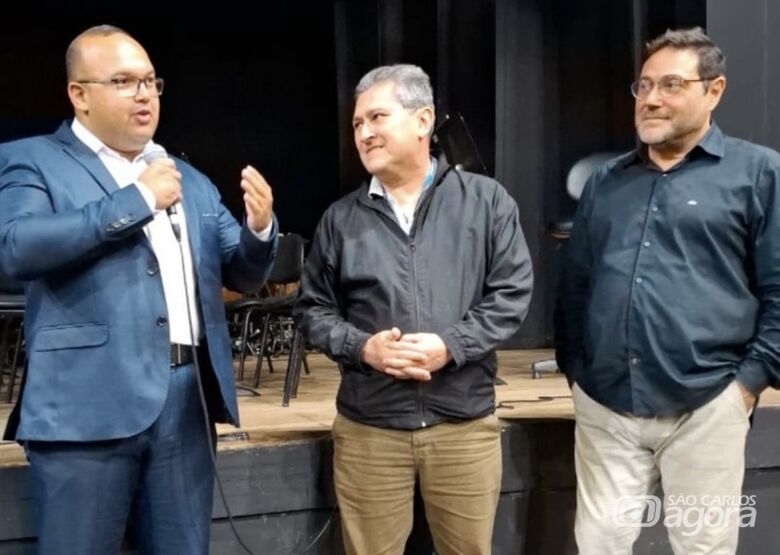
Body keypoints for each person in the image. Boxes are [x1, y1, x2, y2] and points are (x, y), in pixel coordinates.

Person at [0, 25, 277, 554]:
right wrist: (135, 201)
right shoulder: (33, 160)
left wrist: (260, 229)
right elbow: (18, 247)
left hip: (185, 408)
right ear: (79, 95)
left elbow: (242, 273)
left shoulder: (184, 178)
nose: (144, 93)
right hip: (85, 413)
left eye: (151, 81)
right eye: (124, 81)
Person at [555, 27, 780, 554]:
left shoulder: (760, 174)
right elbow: (575, 288)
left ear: (714, 90)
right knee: (599, 544)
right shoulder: (606, 182)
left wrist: (746, 385)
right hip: (605, 405)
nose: (652, 98)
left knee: (701, 547)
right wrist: (578, 373)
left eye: (672, 84)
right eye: (644, 85)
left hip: (707, 406)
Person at [293, 64, 533, 555]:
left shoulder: (487, 203)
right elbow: (312, 311)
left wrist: (452, 345)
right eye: (357, 124)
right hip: (370, 431)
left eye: (377, 117)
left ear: (423, 121)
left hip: (463, 426)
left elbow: (511, 294)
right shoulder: (340, 220)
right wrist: (364, 349)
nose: (364, 133)